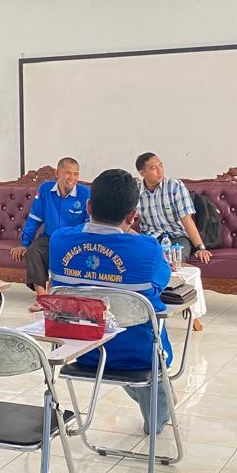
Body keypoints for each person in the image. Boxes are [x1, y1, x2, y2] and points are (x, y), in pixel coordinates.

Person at [50, 168, 175, 432]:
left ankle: (158, 405)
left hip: (82, 350)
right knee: (149, 338)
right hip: (139, 355)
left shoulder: (59, 240)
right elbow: (162, 281)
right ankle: (159, 415)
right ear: (132, 216)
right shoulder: (147, 248)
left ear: (88, 206)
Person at [135, 152, 210, 330]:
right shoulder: (135, 190)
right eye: (153, 168)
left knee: (174, 265)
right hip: (151, 238)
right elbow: (127, 219)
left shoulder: (175, 186)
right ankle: (150, 308)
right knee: (142, 264)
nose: (160, 170)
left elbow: (186, 220)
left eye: (160, 165)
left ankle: (192, 313)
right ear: (142, 173)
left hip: (177, 237)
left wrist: (200, 247)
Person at [11, 157, 89, 312]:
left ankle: (61, 296)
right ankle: (42, 298)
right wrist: (25, 244)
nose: (72, 178)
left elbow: (88, 223)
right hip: (49, 237)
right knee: (33, 252)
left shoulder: (85, 193)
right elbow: (34, 218)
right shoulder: (45, 189)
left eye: (76, 174)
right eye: (68, 173)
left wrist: (69, 235)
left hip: (73, 239)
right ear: (57, 173)